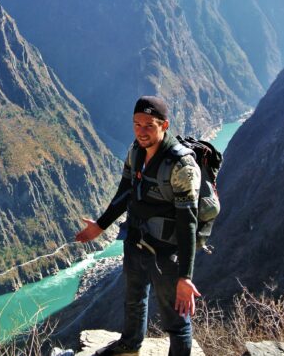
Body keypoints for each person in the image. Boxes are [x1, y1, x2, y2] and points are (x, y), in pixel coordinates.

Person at [76, 95, 201, 356]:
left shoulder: (182, 166)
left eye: (149, 125)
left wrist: (185, 277)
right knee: (133, 300)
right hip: (136, 241)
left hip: (166, 253)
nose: (141, 132)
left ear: (164, 126)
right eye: (136, 124)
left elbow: (187, 222)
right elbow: (125, 192)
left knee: (176, 322)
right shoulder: (136, 151)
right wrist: (101, 226)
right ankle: (130, 345)